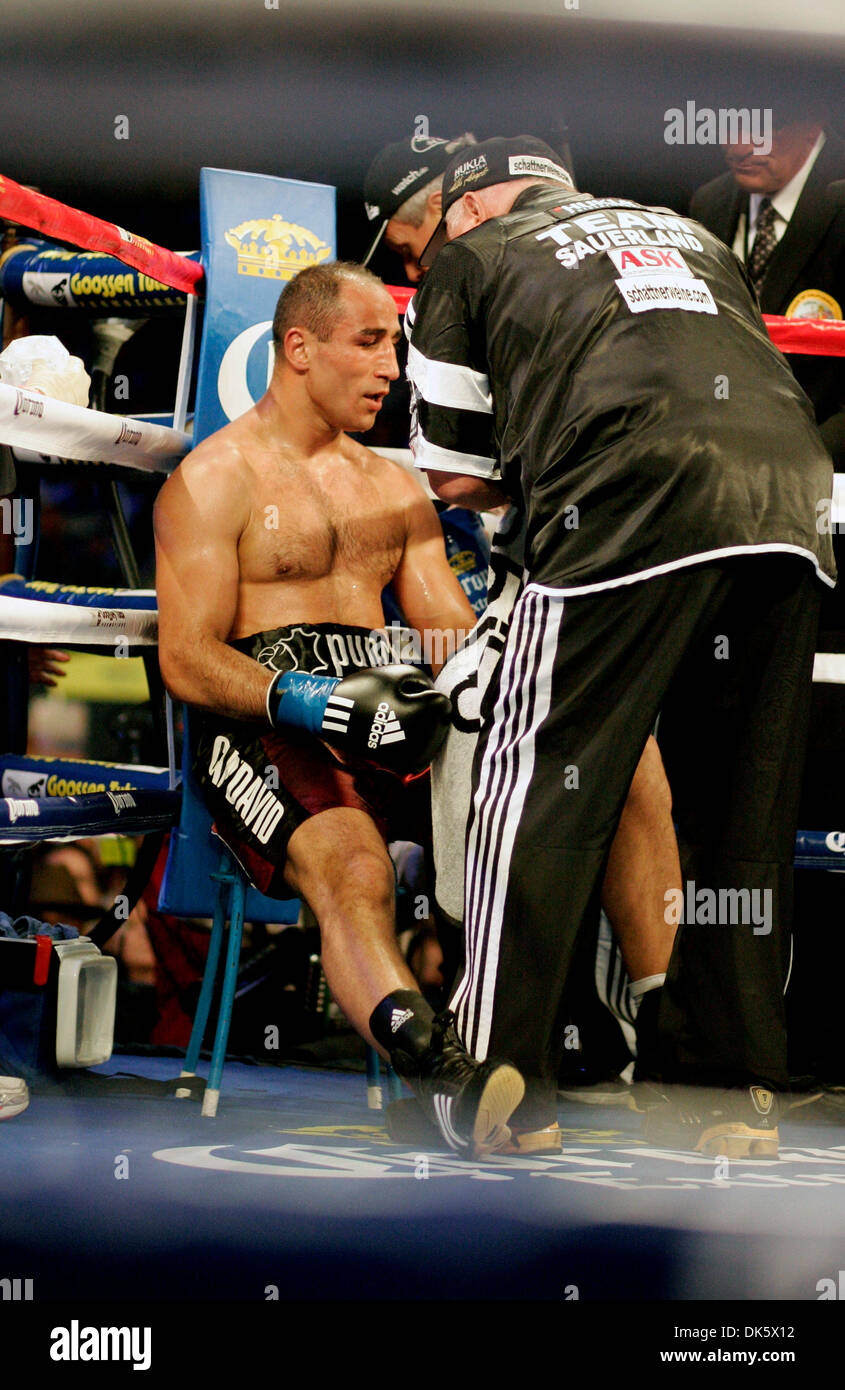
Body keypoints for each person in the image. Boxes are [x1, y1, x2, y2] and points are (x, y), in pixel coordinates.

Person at [406, 135, 836, 1158]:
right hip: (790, 499)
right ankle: (728, 1090)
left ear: (466, 210)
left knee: (539, 771)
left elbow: (455, 476)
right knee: (742, 805)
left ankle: (497, 1076)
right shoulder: (691, 230)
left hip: (625, 490)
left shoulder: (469, 258)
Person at [153, 260, 525, 1160]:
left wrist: (488, 673)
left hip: (386, 707)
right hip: (261, 721)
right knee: (351, 864)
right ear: (298, 347)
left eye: (393, 347)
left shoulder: (396, 488)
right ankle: (443, 1077)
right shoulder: (213, 480)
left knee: (518, 817)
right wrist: (300, 697)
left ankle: (561, 1047)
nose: (391, 368)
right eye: (369, 343)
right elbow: (186, 658)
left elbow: (445, 630)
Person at [364, 130, 684, 1124]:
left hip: (574, 551)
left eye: (415, 246)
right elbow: (420, 493)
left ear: (450, 212)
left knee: (626, 770)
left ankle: (649, 1029)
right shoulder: (409, 327)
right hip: (473, 580)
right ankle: (495, 1039)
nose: (411, 275)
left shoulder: (565, 274)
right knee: (481, 726)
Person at [689, 113, 845, 466]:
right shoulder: (709, 202)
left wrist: (805, 461)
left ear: (810, 125)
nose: (740, 148)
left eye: (761, 131)